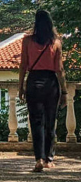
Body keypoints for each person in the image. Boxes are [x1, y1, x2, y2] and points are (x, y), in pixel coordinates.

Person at [19, 10, 67, 172]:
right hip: (51, 83)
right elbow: (60, 70)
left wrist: (21, 87)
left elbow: (23, 66)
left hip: (33, 82)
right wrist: (65, 92)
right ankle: (49, 159)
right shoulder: (56, 42)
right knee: (50, 122)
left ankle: (39, 158)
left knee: (36, 122)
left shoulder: (27, 41)